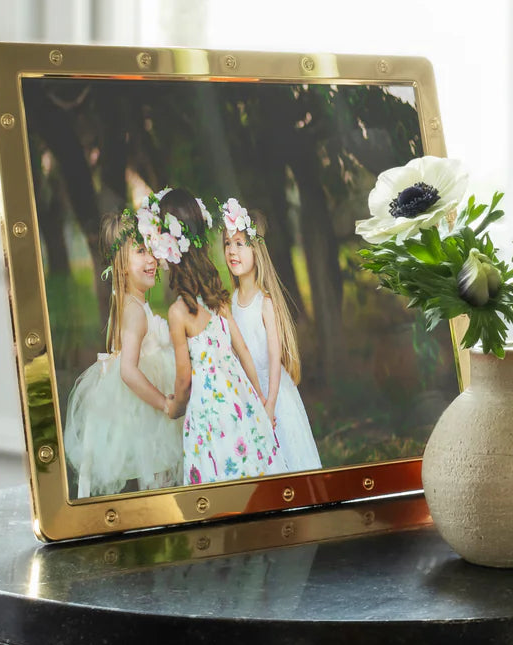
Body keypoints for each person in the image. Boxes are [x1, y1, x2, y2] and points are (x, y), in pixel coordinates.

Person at [157, 188, 277, 485]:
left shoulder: (178, 312)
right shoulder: (216, 296)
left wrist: (174, 407)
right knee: (252, 474)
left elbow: (184, 380)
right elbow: (244, 352)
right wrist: (260, 400)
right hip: (240, 405)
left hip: (210, 418)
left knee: (220, 486)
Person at [64, 204, 182, 498]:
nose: (152, 259)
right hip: (146, 406)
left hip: (145, 403)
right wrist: (163, 404)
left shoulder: (130, 301)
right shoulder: (134, 311)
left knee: (158, 477)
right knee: (158, 476)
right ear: (120, 264)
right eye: (140, 252)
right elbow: (128, 370)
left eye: (151, 250)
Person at [221, 199, 321, 474]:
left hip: (272, 392)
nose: (232, 251)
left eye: (240, 244)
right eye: (228, 244)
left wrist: (271, 403)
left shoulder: (264, 302)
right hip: (247, 393)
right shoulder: (230, 302)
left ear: (256, 251)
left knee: (286, 456)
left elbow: (275, 358)